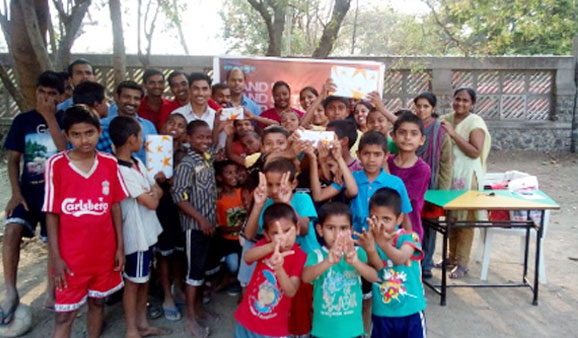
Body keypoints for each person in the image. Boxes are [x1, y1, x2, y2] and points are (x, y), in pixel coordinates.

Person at [43, 105, 127, 338]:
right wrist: (56, 258)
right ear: (66, 136)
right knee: (64, 315)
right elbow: (52, 214)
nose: (84, 140)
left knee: (98, 304)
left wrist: (120, 246)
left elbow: (115, 205)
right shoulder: (56, 165)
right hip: (70, 259)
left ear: (100, 132)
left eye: (89, 133)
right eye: (76, 135)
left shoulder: (110, 163)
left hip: (103, 254)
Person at [1, 71, 67, 324]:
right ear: (36, 92)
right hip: (28, 191)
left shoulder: (65, 120)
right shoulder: (23, 121)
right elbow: (13, 160)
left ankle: (51, 292)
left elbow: (64, 152)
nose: (46, 98)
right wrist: (16, 193)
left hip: (56, 195)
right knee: (11, 231)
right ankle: (10, 291)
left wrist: (50, 117)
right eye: (42, 93)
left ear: (61, 96)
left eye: (52, 94)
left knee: (54, 241)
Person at [240, 159, 319, 336]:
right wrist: (258, 205)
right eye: (270, 185)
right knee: (280, 304)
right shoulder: (267, 203)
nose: (274, 191)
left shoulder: (301, 198)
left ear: (294, 183)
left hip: (303, 263)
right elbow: (250, 235)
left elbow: (304, 230)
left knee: (301, 306)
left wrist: (286, 203)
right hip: (278, 264)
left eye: (280, 184)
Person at [109, 116, 169, 338]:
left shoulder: (137, 162)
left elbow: (157, 190)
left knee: (143, 279)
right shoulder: (120, 170)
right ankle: (131, 329)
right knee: (133, 283)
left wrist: (153, 192)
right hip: (135, 235)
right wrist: (153, 192)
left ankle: (142, 324)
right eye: (140, 136)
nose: (142, 140)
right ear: (131, 138)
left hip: (147, 232)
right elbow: (153, 201)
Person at [171, 120, 219, 338]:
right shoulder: (186, 164)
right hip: (195, 228)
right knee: (193, 274)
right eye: (200, 137)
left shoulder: (206, 158)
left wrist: (219, 120)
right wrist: (200, 219)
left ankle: (199, 310)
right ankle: (190, 320)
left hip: (209, 226)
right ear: (188, 139)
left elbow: (217, 141)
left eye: (207, 137)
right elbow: (179, 197)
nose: (205, 141)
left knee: (201, 271)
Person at [358, 187, 427, 338]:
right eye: (375, 218)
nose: (381, 224)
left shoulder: (409, 237)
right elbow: (378, 267)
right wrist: (370, 248)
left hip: (411, 310)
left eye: (386, 219)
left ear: (399, 219)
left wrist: (384, 245)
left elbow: (401, 258)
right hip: (383, 313)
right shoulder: (370, 241)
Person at [302, 202, 378, 338]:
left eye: (343, 228)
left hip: (353, 332)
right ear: (320, 230)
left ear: (351, 230)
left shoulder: (357, 253)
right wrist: (328, 262)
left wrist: (355, 262)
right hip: (323, 332)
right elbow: (306, 277)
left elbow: (374, 277)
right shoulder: (317, 256)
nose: (337, 234)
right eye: (331, 228)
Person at [439, 88, 491, 279]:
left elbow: (474, 151)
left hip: (468, 178)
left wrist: (453, 134)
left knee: (466, 220)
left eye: (465, 101)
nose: (460, 103)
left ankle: (462, 263)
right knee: (452, 218)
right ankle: (451, 257)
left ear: (472, 104)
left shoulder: (475, 123)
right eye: (457, 99)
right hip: (451, 176)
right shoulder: (447, 118)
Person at [234, 203, 307, 338]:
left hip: (273, 328)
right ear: (267, 235)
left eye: (287, 231)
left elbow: (291, 291)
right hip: (247, 317)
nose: (282, 238)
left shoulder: (299, 256)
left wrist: (278, 269)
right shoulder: (265, 245)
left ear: (297, 229)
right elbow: (247, 257)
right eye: (275, 233)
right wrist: (272, 246)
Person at [413, 92, 452, 279]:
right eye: (418, 106)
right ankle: (413, 261)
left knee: (430, 226)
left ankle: (426, 264)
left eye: (426, 106)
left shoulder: (440, 131)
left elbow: (446, 163)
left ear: (433, 108)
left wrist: (441, 193)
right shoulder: (410, 129)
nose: (421, 110)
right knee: (413, 223)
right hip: (413, 183)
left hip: (433, 186)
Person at [154, 113, 188, 321]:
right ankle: (167, 295)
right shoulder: (153, 149)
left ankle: (178, 287)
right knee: (164, 254)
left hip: (181, 208)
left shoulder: (185, 153)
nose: (175, 128)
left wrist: (177, 180)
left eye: (181, 126)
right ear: (164, 125)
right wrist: (158, 180)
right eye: (172, 123)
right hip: (161, 206)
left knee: (178, 251)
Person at [387, 111, 431, 241]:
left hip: (410, 229)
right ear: (393, 136)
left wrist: (384, 169)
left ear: (422, 140)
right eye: (402, 132)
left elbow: (398, 198)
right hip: (383, 228)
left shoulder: (422, 170)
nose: (407, 137)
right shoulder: (386, 161)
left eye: (414, 134)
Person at [96, 81, 157, 163]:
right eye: (127, 97)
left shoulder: (148, 127)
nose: (132, 102)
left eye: (136, 99)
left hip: (143, 174)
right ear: (117, 97)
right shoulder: (102, 125)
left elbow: (155, 157)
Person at [215, 160, 247, 296]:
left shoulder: (242, 193)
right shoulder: (218, 200)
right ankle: (228, 279)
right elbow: (220, 228)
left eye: (235, 172)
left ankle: (234, 283)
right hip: (229, 242)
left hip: (244, 240)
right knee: (233, 265)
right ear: (220, 177)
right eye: (229, 173)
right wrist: (239, 228)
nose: (234, 176)